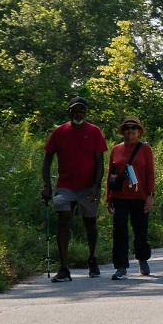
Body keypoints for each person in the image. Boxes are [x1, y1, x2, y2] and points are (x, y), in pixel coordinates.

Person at [41, 96, 108, 282]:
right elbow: (47, 161)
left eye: (81, 110)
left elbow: (99, 162)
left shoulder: (94, 132)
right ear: (68, 112)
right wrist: (47, 186)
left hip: (88, 187)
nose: (78, 113)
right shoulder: (59, 132)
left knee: (90, 222)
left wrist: (96, 185)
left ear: (86, 113)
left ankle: (92, 258)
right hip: (65, 187)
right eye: (74, 110)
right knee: (64, 220)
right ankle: (64, 268)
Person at [106, 116, 155, 280]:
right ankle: (120, 267)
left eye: (134, 127)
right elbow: (110, 176)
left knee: (140, 231)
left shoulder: (145, 149)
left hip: (140, 196)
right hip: (120, 197)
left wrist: (150, 195)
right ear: (123, 131)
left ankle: (142, 259)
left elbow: (150, 174)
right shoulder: (115, 150)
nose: (130, 130)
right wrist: (108, 197)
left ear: (139, 132)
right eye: (127, 127)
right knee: (119, 231)